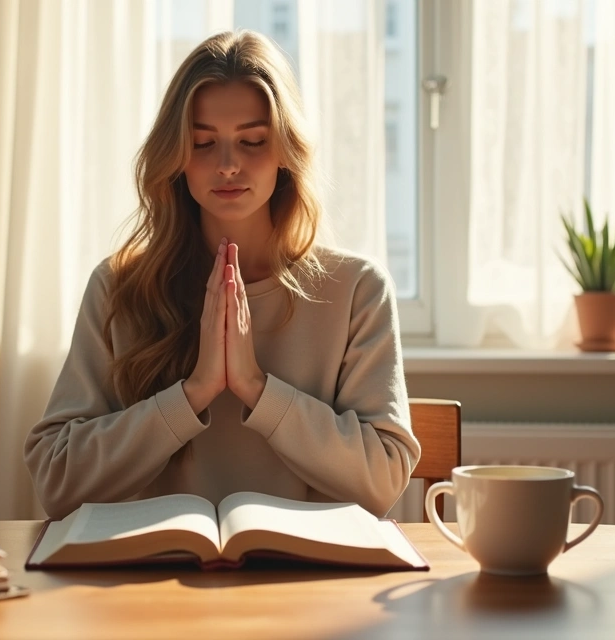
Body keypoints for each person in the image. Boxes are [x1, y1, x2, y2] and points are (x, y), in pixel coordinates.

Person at [24, 30, 419, 520]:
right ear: (176, 157)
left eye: (252, 141)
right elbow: (56, 480)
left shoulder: (358, 289)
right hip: (155, 565)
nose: (228, 165)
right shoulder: (118, 287)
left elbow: (383, 482)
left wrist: (255, 386)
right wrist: (195, 392)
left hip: (308, 567)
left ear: (286, 151)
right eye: (203, 143)